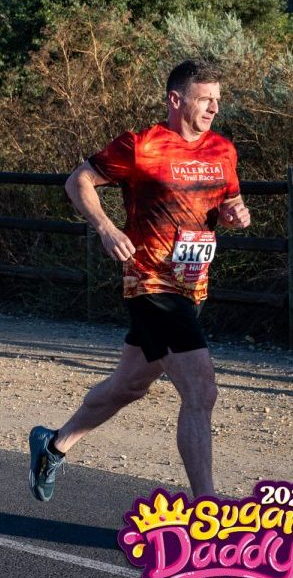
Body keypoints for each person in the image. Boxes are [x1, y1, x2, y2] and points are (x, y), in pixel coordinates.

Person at [29, 59, 250, 502]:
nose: (213, 108)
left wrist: (235, 214)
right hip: (149, 282)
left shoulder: (222, 150)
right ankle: (207, 513)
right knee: (201, 389)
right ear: (176, 99)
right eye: (205, 99)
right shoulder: (141, 145)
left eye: (217, 101)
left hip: (193, 286)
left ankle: (53, 445)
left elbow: (231, 202)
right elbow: (79, 182)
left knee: (128, 385)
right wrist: (107, 228)